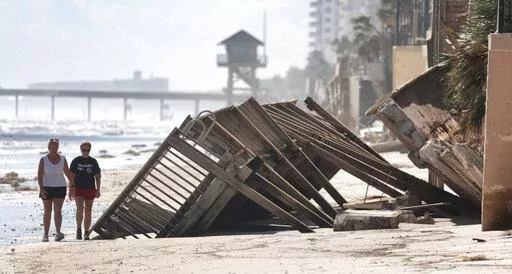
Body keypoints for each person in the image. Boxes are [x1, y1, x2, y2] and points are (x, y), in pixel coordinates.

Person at [37, 138, 74, 242]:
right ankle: (45, 235)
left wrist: (72, 186)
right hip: (46, 187)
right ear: (48, 147)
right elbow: (39, 176)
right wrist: (42, 189)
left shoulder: (62, 158)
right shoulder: (43, 159)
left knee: (58, 211)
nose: (54, 148)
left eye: (55, 146)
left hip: (60, 187)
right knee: (47, 211)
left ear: (58, 147)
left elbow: (68, 173)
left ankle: (58, 233)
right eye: (51, 147)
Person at [69, 141, 101, 240]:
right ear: (81, 150)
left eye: (87, 150)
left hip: (90, 188)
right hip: (78, 188)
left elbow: (98, 176)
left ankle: (86, 232)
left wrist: (98, 189)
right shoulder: (76, 161)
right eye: (84, 150)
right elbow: (71, 176)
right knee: (79, 209)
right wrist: (71, 188)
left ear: (90, 150)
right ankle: (78, 230)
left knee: (88, 211)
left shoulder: (93, 161)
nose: (85, 152)